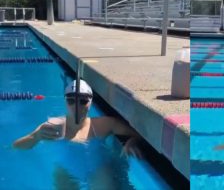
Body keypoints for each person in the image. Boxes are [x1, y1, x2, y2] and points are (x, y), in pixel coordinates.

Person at [13, 80, 142, 189]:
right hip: (65, 172)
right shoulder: (53, 126)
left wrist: (131, 142)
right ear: (65, 101)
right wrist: (37, 137)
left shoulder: (103, 125)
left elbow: (138, 134)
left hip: (98, 171)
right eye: (71, 100)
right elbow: (17, 146)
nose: (76, 106)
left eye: (83, 101)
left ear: (90, 102)